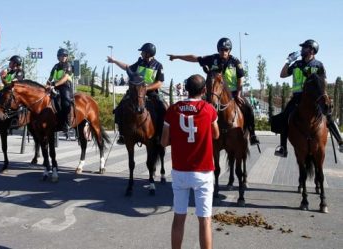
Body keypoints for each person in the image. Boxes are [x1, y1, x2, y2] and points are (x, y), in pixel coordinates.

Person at [161, 74, 219, 249]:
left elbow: (164, 142)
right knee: (205, 221)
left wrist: (177, 139)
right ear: (204, 90)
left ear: (186, 89)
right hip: (203, 171)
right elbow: (216, 135)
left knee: (179, 217)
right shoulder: (208, 109)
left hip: (180, 171)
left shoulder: (172, 109)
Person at [167, 37, 260, 146]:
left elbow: (240, 79)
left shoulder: (235, 62)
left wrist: (238, 94)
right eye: (221, 49)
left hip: (233, 94)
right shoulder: (212, 59)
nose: (223, 52)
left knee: (248, 108)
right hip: (214, 94)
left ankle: (252, 134)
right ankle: (200, 133)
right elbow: (195, 58)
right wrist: (177, 57)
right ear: (218, 49)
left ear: (229, 50)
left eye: (226, 50)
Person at [274, 39, 343, 157]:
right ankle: (283, 148)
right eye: (302, 48)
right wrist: (288, 61)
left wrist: (324, 97)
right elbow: (282, 75)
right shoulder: (296, 64)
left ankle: (340, 142)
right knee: (284, 117)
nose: (302, 50)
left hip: (314, 98)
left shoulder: (318, 65)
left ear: (312, 50)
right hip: (297, 98)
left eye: (304, 48)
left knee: (328, 116)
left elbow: (323, 83)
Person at [107, 42, 166, 145]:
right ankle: (122, 135)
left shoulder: (158, 65)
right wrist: (114, 61)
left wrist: (146, 88)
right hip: (135, 93)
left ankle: (161, 134)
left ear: (148, 53)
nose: (141, 54)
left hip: (150, 93)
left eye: (142, 52)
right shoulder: (140, 63)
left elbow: (159, 83)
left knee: (163, 109)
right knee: (119, 109)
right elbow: (127, 67)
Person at [47, 48, 74, 132]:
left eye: (65, 56)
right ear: (58, 57)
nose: (64, 57)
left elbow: (65, 78)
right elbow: (50, 78)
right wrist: (47, 86)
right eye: (62, 56)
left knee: (65, 102)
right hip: (55, 86)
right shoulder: (55, 66)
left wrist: (54, 84)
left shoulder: (68, 65)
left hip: (65, 86)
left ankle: (66, 123)